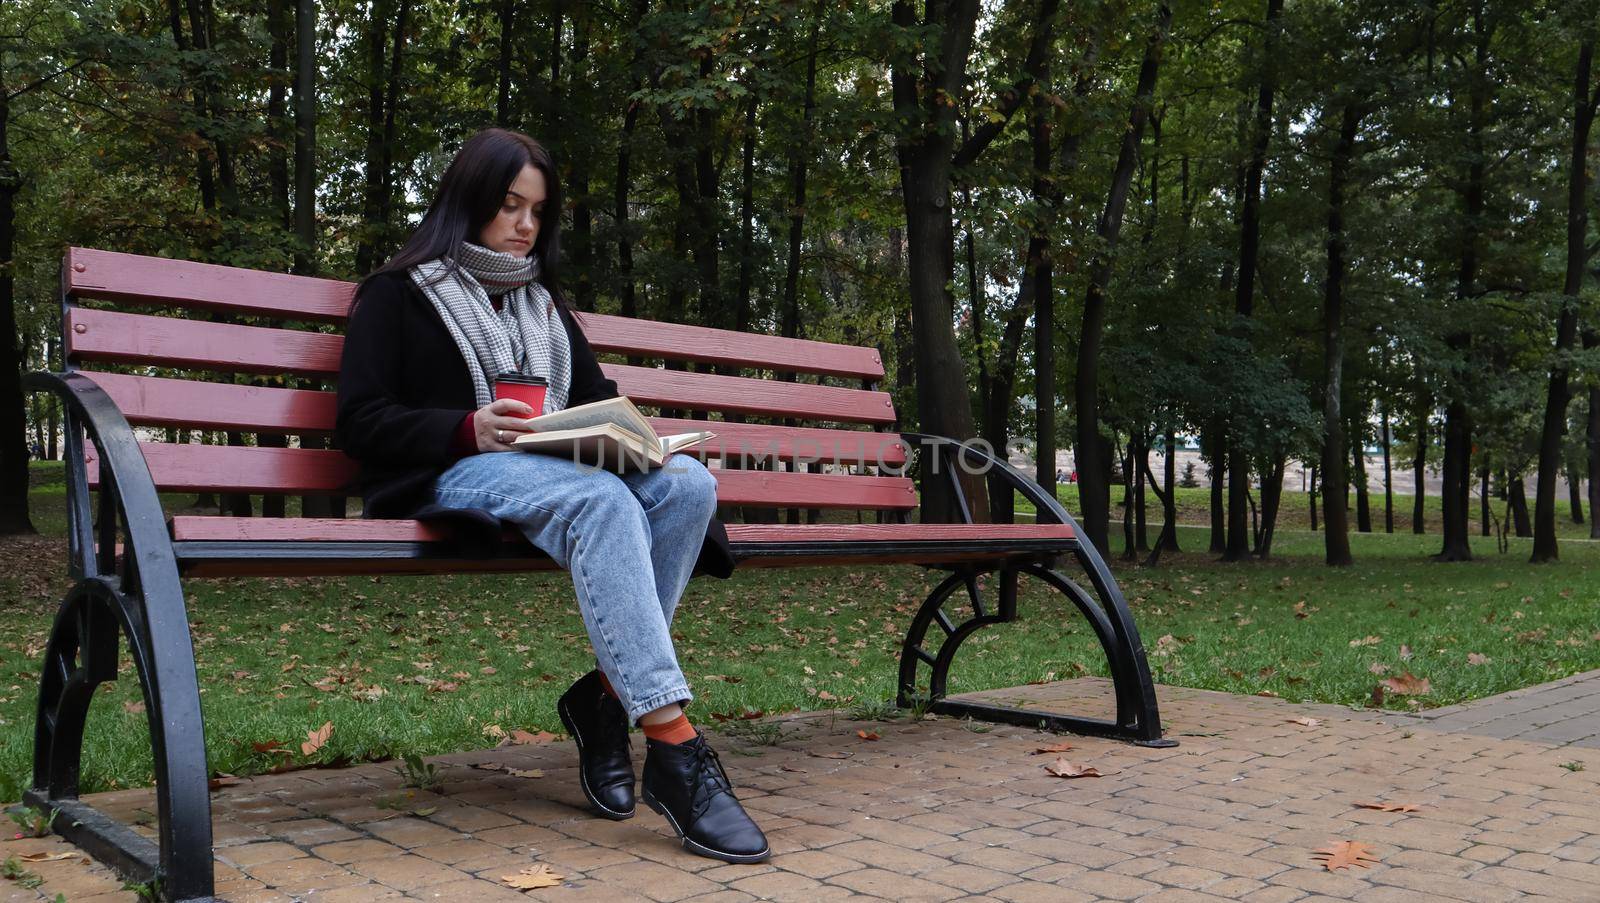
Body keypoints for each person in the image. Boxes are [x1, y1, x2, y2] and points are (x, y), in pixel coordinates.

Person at [335, 128, 768, 864]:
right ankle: (674, 750)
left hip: (552, 468)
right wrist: (465, 427)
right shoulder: (398, 294)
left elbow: (596, 401)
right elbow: (359, 420)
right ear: (467, 201)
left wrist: (631, 441)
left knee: (689, 484)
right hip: (452, 472)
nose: (524, 225)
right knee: (603, 503)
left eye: (536, 211)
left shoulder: (544, 309)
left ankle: (604, 696)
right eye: (508, 205)